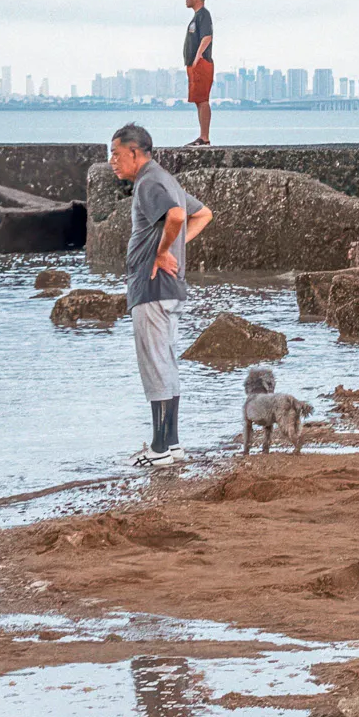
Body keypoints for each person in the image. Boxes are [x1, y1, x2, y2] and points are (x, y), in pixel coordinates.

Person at [111, 123, 213, 467]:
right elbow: (203, 214)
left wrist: (163, 250)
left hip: (152, 287)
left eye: (116, 154)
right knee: (165, 363)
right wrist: (172, 246)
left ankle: (159, 449)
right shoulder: (165, 179)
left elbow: (178, 215)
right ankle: (172, 445)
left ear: (134, 153)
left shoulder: (149, 182)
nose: (112, 161)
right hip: (169, 288)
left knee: (155, 365)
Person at [183, 0, 215, 146]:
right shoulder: (196, 17)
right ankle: (202, 136)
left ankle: (204, 137)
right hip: (193, 65)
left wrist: (198, 57)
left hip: (201, 63)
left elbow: (207, 36)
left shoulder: (203, 15)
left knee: (202, 99)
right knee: (198, 100)